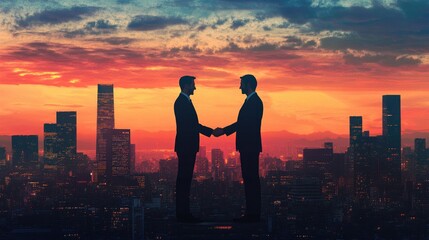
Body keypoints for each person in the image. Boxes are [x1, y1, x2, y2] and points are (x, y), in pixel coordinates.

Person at [213, 74, 263, 223]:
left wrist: (223, 131)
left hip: (250, 147)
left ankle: (252, 214)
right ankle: (251, 213)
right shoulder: (251, 101)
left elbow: (243, 124)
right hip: (248, 147)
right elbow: (242, 123)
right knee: (249, 179)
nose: (239, 87)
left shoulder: (254, 102)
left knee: (251, 180)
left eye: (241, 84)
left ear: (248, 84)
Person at [174, 75, 213, 223]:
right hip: (186, 146)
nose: (195, 88)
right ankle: (183, 213)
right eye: (193, 85)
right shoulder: (182, 103)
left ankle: (183, 212)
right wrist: (210, 131)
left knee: (184, 180)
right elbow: (191, 125)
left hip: (186, 146)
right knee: (184, 180)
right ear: (186, 85)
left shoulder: (184, 102)